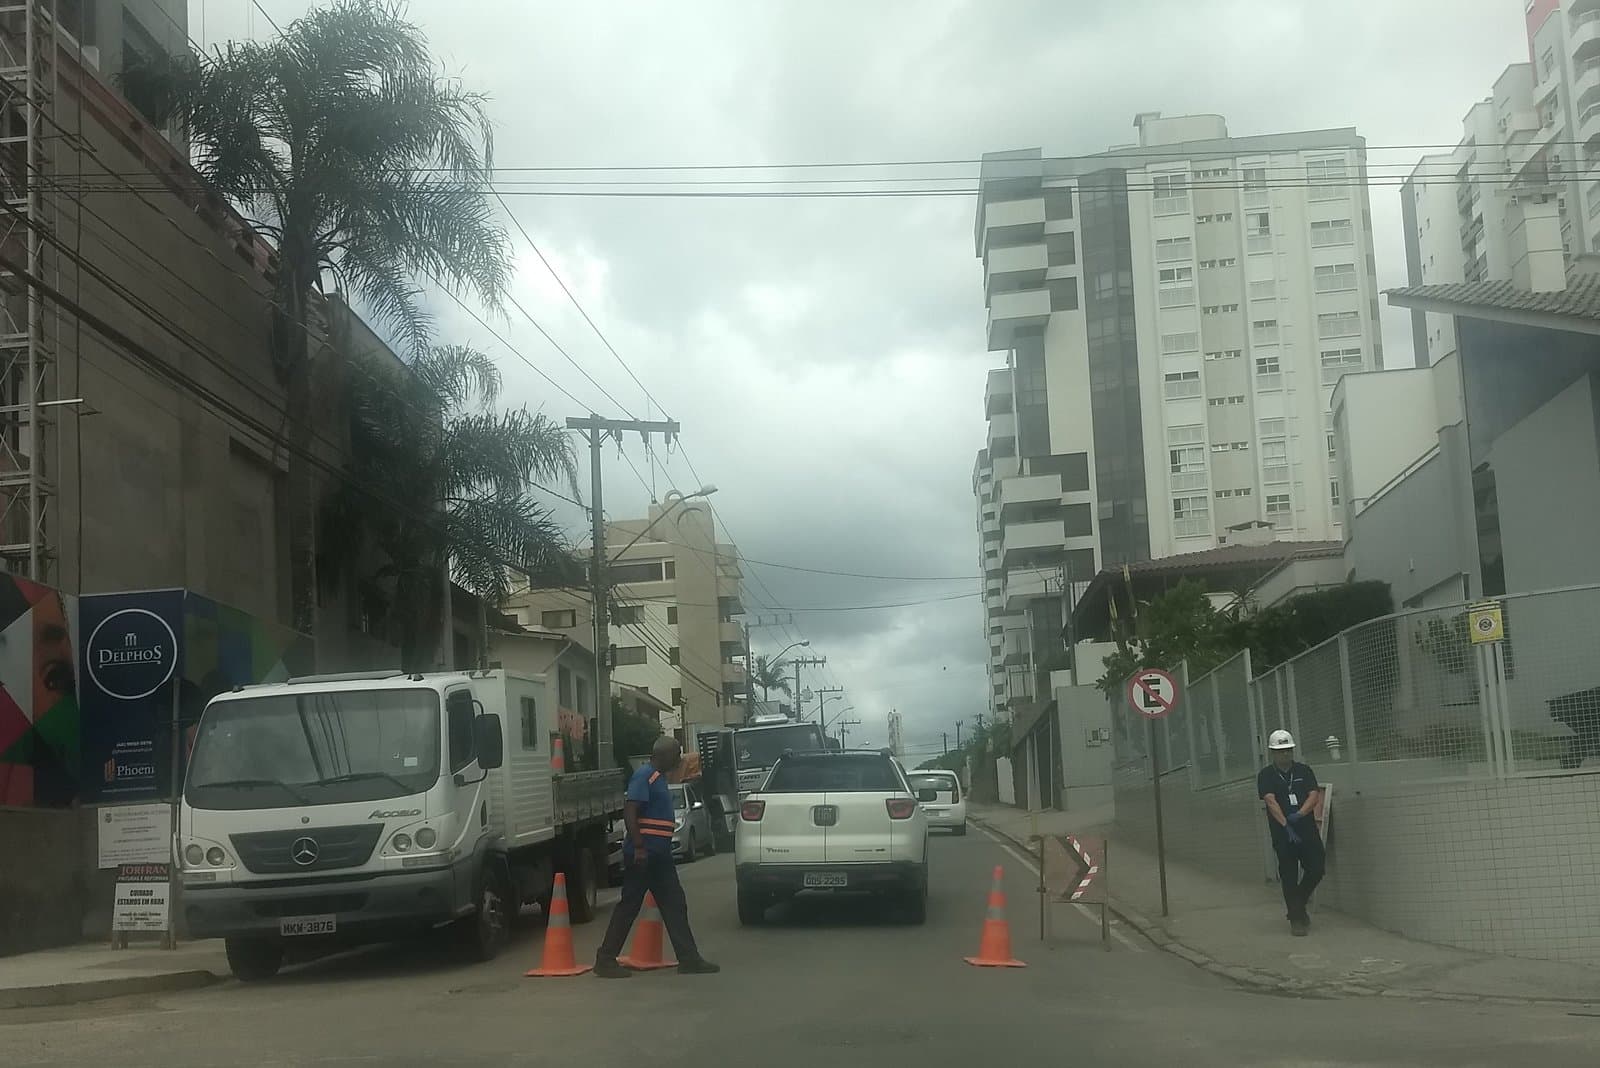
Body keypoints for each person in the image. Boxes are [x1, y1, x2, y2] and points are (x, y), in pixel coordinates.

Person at [594, 736, 720, 977]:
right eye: (676, 754)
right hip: (645, 856)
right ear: (662, 755)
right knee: (629, 906)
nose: (679, 759)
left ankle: (689, 958)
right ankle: (605, 959)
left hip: (659, 856)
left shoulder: (658, 778)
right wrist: (639, 846)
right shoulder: (645, 775)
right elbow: (631, 810)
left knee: (675, 904)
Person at [1257, 729, 1325, 937]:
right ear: (1272, 753)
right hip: (1283, 832)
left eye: (1287, 750)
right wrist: (1286, 824)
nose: (1284, 754)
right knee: (1288, 874)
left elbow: (1314, 794)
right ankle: (1297, 919)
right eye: (1280, 751)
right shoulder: (1267, 775)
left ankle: (1298, 904)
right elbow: (1270, 800)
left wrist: (1301, 814)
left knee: (1317, 867)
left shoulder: (1304, 771)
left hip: (1305, 828)